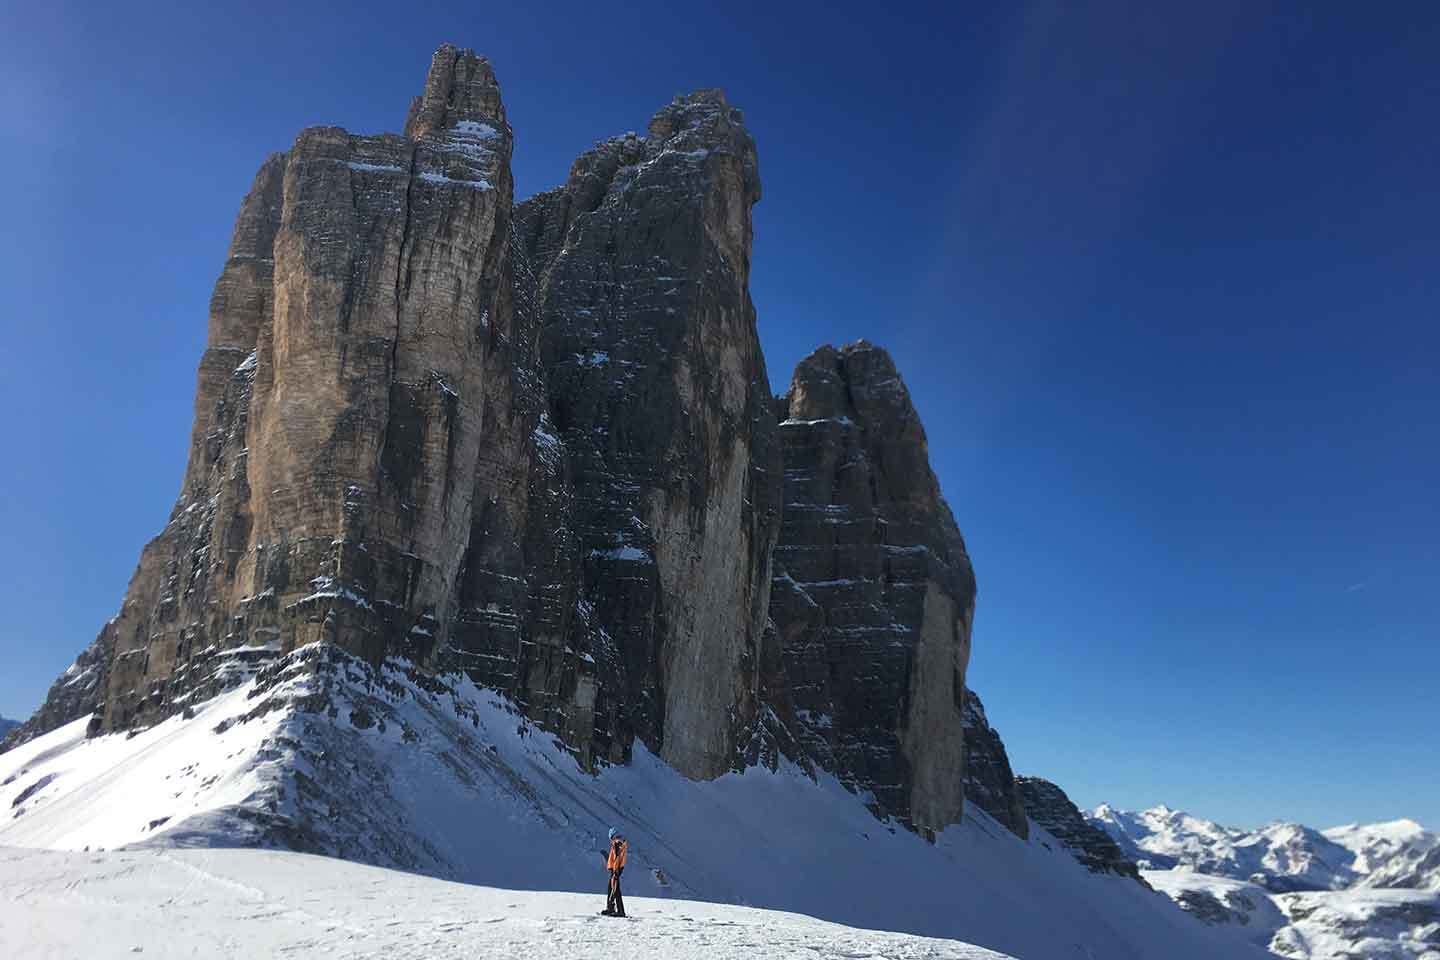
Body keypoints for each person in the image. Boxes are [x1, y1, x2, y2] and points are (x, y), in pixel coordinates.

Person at [602, 827, 628, 917]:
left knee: (615, 889)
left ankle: (620, 911)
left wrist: (615, 871)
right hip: (615, 869)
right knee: (611, 888)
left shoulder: (618, 844)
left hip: (616, 869)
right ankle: (611, 908)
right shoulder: (618, 843)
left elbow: (617, 859)